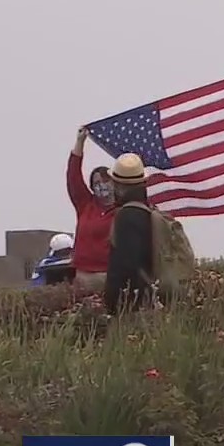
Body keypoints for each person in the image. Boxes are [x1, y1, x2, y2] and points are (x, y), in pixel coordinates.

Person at [104, 153, 155, 315]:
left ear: (118, 185)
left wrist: (113, 301)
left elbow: (127, 264)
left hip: (132, 305)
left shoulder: (127, 216)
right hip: (148, 297)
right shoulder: (147, 211)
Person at [67, 126, 115, 291]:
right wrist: (80, 142)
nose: (102, 185)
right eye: (96, 183)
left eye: (106, 180)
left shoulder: (124, 209)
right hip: (83, 276)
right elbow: (73, 176)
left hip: (111, 276)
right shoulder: (85, 205)